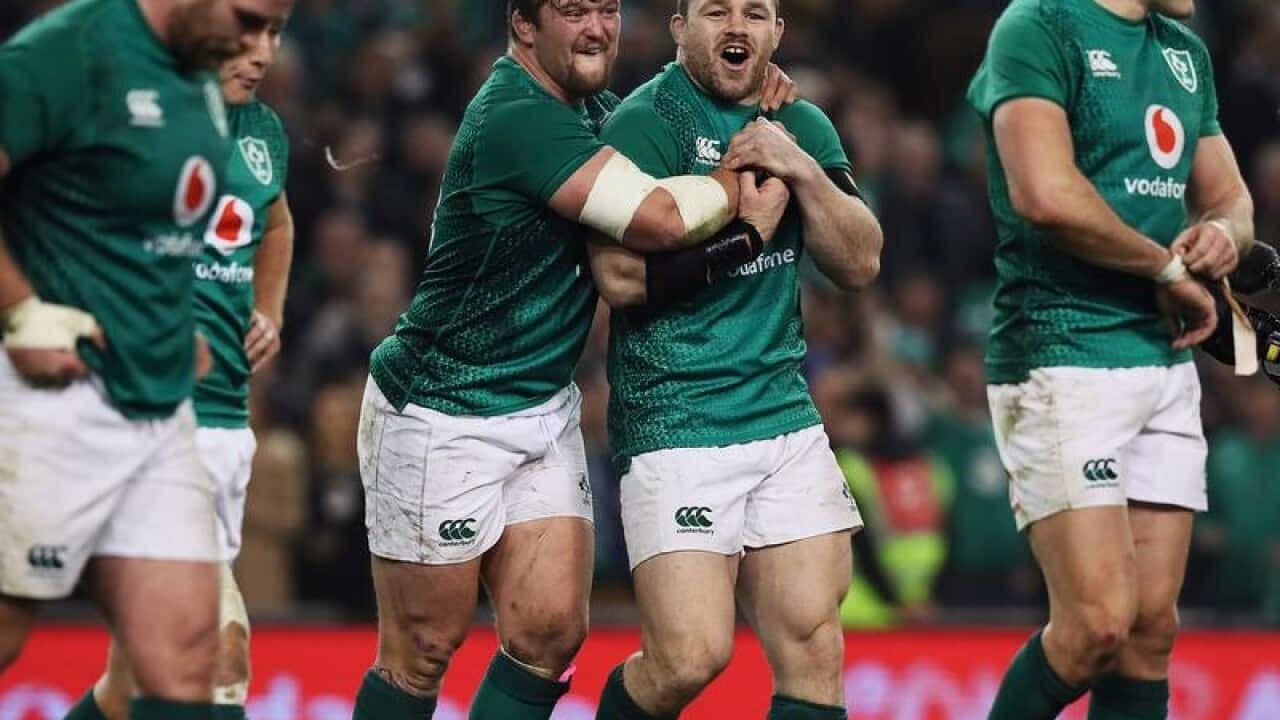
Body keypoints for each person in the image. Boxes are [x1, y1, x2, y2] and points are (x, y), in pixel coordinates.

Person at [351, 1, 793, 718]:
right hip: (441, 409)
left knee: (550, 632)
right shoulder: (517, 115)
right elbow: (660, 217)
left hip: (542, 406)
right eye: (572, 10)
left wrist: (748, 107)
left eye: (607, 9)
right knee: (422, 649)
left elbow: (677, 125)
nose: (596, 27)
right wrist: (747, 170)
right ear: (524, 25)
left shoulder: (598, 113)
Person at [584, 0, 883, 716]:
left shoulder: (802, 125)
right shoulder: (643, 125)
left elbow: (861, 260)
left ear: (778, 32)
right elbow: (620, 280)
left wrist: (802, 171)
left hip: (781, 415)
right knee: (689, 658)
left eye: (756, 12)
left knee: (815, 645)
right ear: (679, 27)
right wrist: (741, 237)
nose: (737, 27)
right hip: (677, 418)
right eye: (715, 11)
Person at [0, 0, 292, 718]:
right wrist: (20, 308)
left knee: (193, 659)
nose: (257, 49)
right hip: (56, 405)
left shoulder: (200, 77)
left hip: (164, 414)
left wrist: (166, 323)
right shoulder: (69, 53)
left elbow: (156, 225)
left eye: (272, 31)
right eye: (249, 21)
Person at [966, 0, 1255, 716]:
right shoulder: (1037, 26)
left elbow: (1232, 199)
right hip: (1062, 352)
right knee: (1096, 623)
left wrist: (1222, 234)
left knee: (1151, 630)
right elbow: (1045, 195)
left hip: (1162, 362)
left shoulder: (1185, 52)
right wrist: (1165, 271)